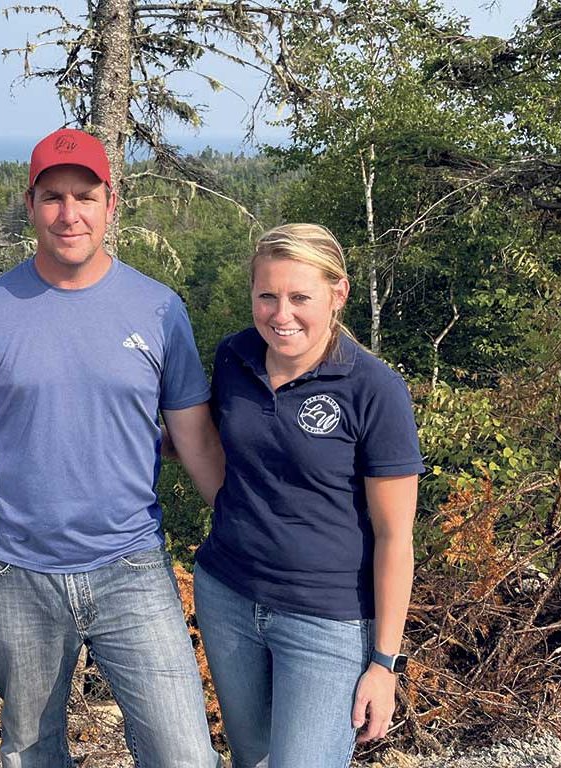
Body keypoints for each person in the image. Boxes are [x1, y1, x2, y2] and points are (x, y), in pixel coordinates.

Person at [0, 128, 224, 767]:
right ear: (30, 203)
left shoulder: (157, 309)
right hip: (16, 567)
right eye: (53, 197)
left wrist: (240, 525)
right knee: (33, 752)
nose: (69, 214)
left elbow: (195, 436)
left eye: (84, 196)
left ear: (110, 201)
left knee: (183, 753)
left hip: (130, 564)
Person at [193, 223, 424, 767]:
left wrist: (384, 663)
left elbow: (395, 537)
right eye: (267, 295)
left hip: (326, 620)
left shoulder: (373, 389)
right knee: (252, 756)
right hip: (227, 594)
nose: (281, 314)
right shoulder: (235, 358)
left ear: (338, 293)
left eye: (300, 297)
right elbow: (204, 443)